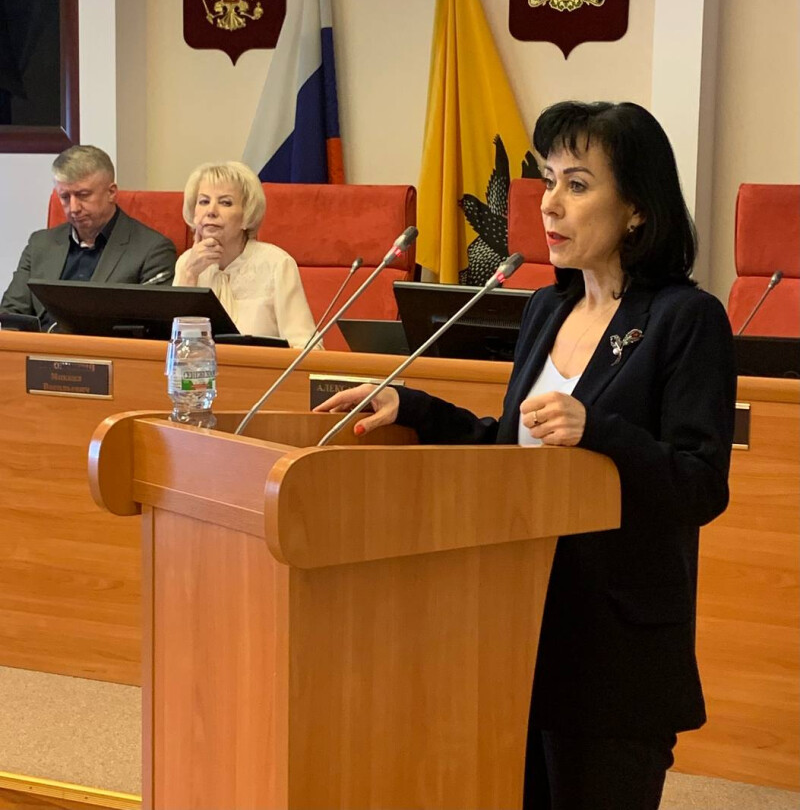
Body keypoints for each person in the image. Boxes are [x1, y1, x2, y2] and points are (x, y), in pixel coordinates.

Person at [316, 101, 736, 810]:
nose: (549, 203)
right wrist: (413, 408)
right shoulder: (547, 308)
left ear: (637, 208)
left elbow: (699, 486)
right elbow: (512, 452)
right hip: (516, 626)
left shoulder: (685, 319)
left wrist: (598, 429)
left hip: (614, 648)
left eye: (578, 184)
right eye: (547, 181)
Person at [1, 145, 177, 327]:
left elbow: (152, 328)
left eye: (83, 195)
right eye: (65, 197)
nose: (74, 208)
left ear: (111, 193)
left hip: (104, 344)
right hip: (40, 343)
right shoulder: (40, 244)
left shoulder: (152, 250)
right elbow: (11, 313)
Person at [174, 161, 316, 348]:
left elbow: (305, 347)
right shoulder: (186, 263)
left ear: (246, 214)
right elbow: (174, 348)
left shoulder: (277, 264)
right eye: (204, 201)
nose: (211, 211)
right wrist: (189, 276)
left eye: (225, 202)